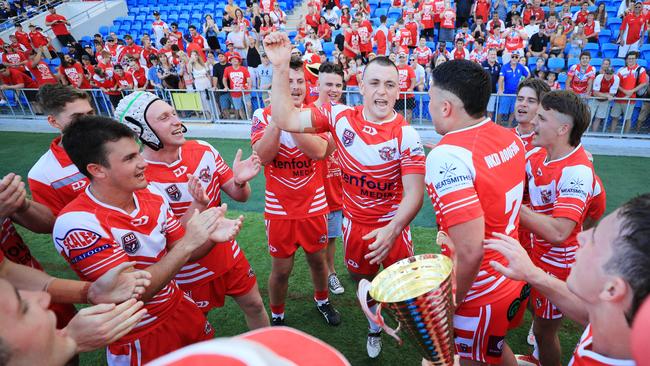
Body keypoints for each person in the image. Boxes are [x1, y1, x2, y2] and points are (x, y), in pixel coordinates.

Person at [264, 31, 425, 359]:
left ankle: (397, 322)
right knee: (364, 283)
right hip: (355, 227)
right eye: (375, 83)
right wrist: (280, 68)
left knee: (400, 288)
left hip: (393, 227)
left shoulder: (407, 134)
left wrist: (392, 229)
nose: (382, 91)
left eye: (390, 84)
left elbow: (414, 195)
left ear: (399, 90)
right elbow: (285, 118)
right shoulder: (339, 116)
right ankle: (374, 327)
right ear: (361, 87)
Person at [55, 115, 243, 365]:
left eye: (138, 153)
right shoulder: (78, 225)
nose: (143, 163)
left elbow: (183, 251)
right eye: (130, 158)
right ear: (97, 170)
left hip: (181, 308)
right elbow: (130, 294)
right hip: (139, 333)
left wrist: (208, 237)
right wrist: (190, 242)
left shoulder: (150, 193)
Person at [114, 91, 269, 329]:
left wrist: (239, 181)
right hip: (186, 269)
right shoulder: (139, 177)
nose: (177, 121)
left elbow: (241, 195)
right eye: (164, 117)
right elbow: (174, 241)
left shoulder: (203, 149)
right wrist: (199, 204)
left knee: (256, 305)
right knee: (196, 325)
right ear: (141, 129)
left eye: (174, 113)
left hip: (227, 250)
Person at [424, 60, 527, 365]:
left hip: (479, 289)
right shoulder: (511, 136)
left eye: (430, 99)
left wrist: (451, 301)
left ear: (445, 107)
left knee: (475, 360)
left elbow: (470, 251)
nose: (427, 106)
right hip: (511, 270)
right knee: (492, 350)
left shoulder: (448, 155)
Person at [484, 193, 650, 365]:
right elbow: (589, 312)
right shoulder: (617, 319)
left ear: (612, 290)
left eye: (594, 240)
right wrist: (532, 273)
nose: (580, 236)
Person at [250, 57, 341, 327]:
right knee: (281, 270)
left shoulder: (318, 114)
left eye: (300, 81)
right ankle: (277, 315)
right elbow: (263, 156)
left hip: (314, 205)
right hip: (279, 209)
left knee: (318, 260)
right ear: (276, 87)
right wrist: (280, 116)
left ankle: (323, 300)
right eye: (288, 82)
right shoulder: (260, 116)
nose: (296, 86)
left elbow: (318, 151)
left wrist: (290, 116)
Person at [516, 90, 596, 365]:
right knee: (534, 316)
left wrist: (514, 206)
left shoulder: (578, 170)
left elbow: (560, 233)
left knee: (543, 331)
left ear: (563, 129)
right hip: (537, 255)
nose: (534, 122)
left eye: (542, 118)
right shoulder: (538, 154)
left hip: (559, 266)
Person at [313, 62, 346, 295]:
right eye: (328, 84)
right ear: (317, 84)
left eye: (338, 85)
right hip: (312, 192)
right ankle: (322, 276)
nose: (333, 89)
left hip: (336, 190)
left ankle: (331, 273)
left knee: (331, 238)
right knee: (314, 243)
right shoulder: (306, 114)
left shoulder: (345, 114)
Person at [610, 51, 648, 133]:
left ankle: (625, 136)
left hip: (631, 99)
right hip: (619, 98)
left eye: (632, 58)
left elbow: (643, 83)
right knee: (615, 117)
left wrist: (632, 91)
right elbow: (616, 83)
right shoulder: (621, 70)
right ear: (626, 60)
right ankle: (611, 135)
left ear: (636, 59)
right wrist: (624, 91)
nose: (630, 60)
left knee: (627, 119)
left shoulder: (640, 70)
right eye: (629, 58)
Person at [497, 49, 530, 126]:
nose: (514, 58)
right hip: (506, 93)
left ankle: (509, 126)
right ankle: (498, 126)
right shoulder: (505, 67)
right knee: (501, 111)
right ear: (510, 57)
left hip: (516, 93)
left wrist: (522, 81)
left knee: (513, 111)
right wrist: (500, 90)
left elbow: (528, 75)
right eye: (513, 56)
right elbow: (501, 79)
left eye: (516, 57)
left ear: (518, 58)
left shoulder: (521, 67)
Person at [590, 67, 619, 132]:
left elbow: (612, 94)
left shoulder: (616, 79)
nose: (608, 75)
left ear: (613, 74)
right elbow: (595, 93)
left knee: (598, 118)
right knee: (589, 117)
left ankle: (593, 134)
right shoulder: (599, 77)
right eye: (607, 73)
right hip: (594, 99)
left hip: (605, 101)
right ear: (604, 73)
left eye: (610, 74)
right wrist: (607, 95)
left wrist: (605, 95)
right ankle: (585, 134)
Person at [483, 48, 501, 121]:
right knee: (482, 110)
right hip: (483, 92)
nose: (493, 56)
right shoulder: (483, 64)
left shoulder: (498, 65)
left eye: (494, 54)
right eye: (491, 54)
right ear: (488, 55)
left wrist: (500, 89)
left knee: (490, 111)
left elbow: (500, 78)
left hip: (493, 91)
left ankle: (488, 126)